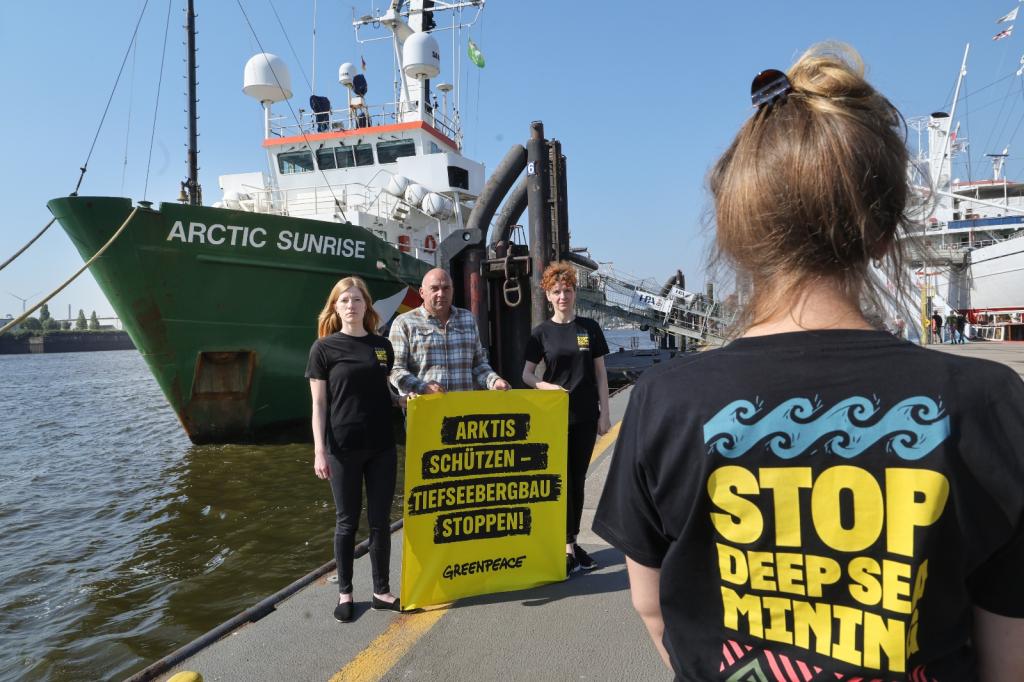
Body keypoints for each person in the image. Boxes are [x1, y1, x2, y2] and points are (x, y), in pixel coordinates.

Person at [593, 44, 1024, 681]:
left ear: (740, 231)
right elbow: (1007, 652)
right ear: (883, 232)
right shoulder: (987, 402)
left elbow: (653, 607)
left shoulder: (667, 401)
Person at [306, 276, 401, 622]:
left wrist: (402, 400)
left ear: (367, 306)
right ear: (335, 307)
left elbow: (381, 391)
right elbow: (319, 405)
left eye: (357, 300)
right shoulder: (324, 349)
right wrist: (319, 450)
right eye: (344, 300)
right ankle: (345, 592)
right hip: (342, 448)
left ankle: (381, 591)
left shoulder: (381, 346)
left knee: (380, 522)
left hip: (381, 446)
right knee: (347, 522)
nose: (351, 306)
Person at [522, 262, 611, 575]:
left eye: (568, 291)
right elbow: (526, 374)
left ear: (575, 293)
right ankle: (566, 544)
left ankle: (571, 541)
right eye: (557, 291)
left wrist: (605, 415)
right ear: (548, 295)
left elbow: (601, 374)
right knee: (560, 481)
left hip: (586, 416)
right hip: (555, 419)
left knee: (577, 480)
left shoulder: (589, 329)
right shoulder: (541, 334)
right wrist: (545, 385)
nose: (563, 296)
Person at [389, 268, 510, 395]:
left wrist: (494, 381)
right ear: (422, 292)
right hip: (424, 409)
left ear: (452, 291)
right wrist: (422, 387)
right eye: (434, 288)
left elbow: (478, 365)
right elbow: (395, 369)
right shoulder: (404, 323)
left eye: (446, 288)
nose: (441, 293)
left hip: (463, 409)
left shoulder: (467, 319)